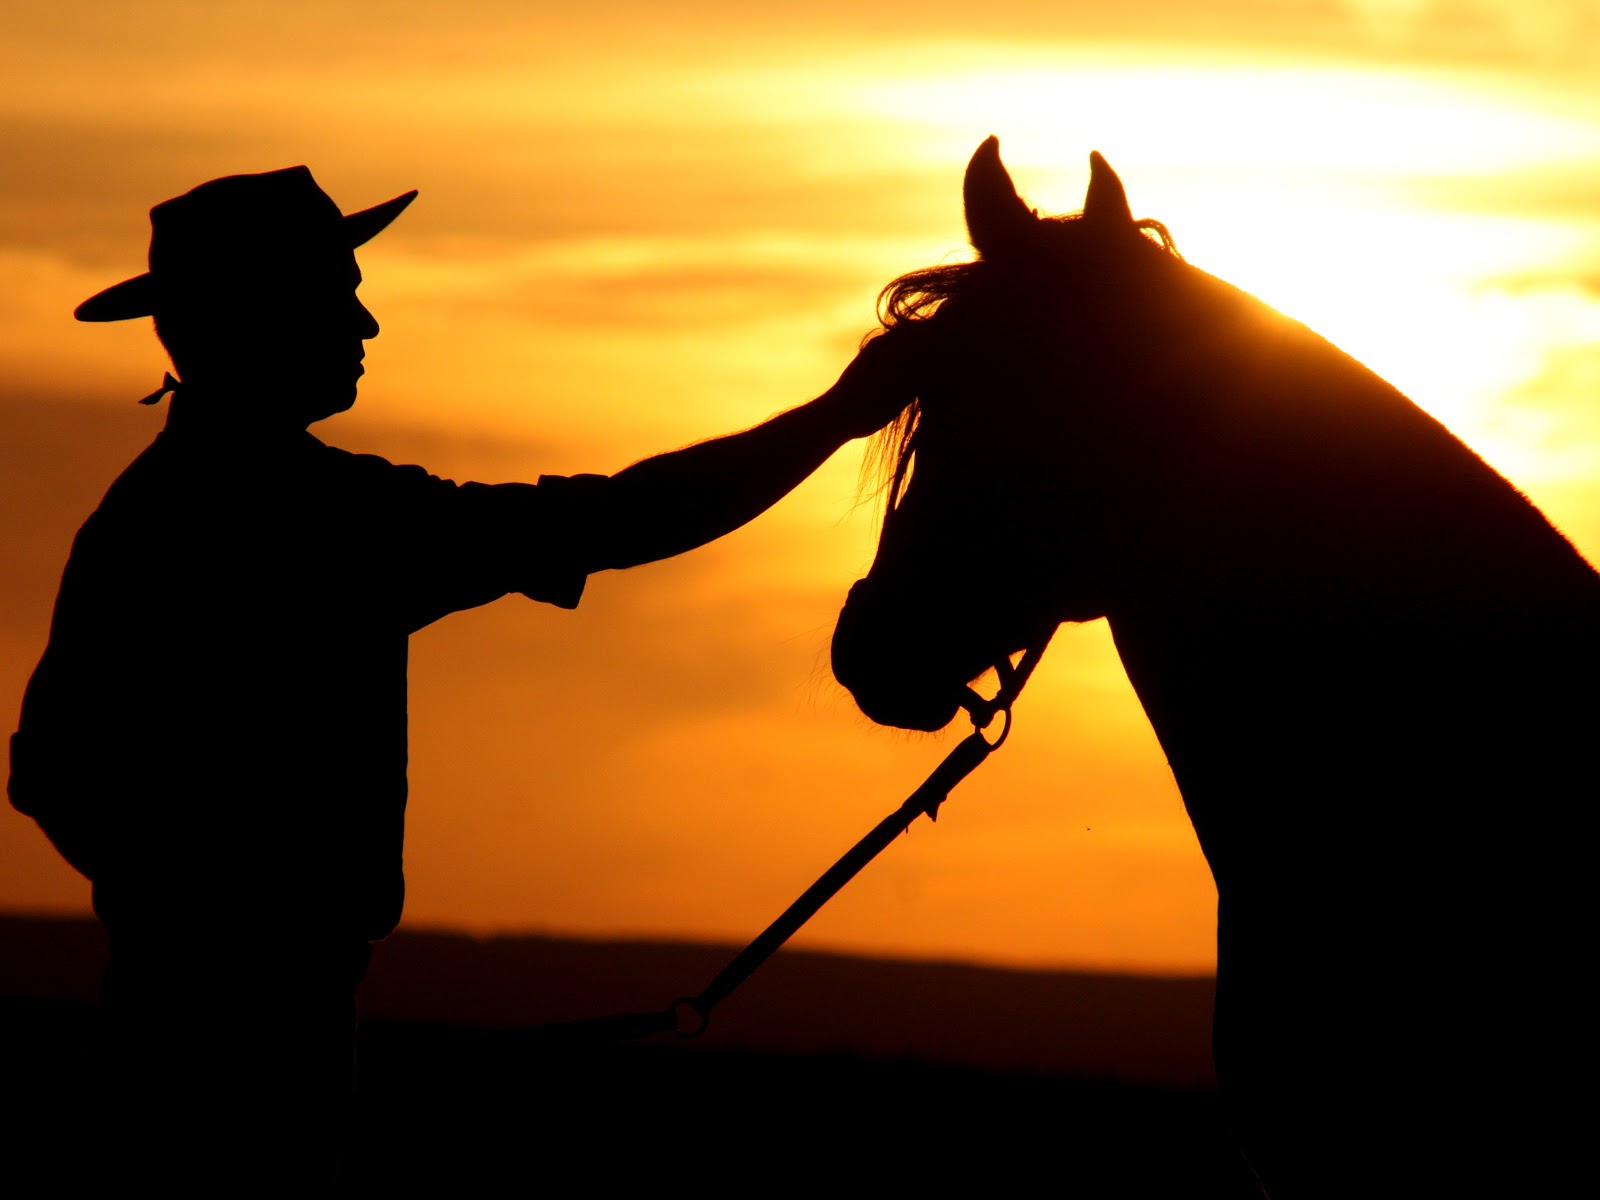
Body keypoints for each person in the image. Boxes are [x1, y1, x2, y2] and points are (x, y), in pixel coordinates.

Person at [6, 166, 915, 1183]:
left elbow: (47, 770)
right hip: (250, 1055)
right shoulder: (321, 521)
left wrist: (187, 916)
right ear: (263, 315)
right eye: (335, 292)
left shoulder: (147, 516)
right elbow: (611, 520)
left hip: (172, 1035)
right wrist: (838, 415)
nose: (365, 323)